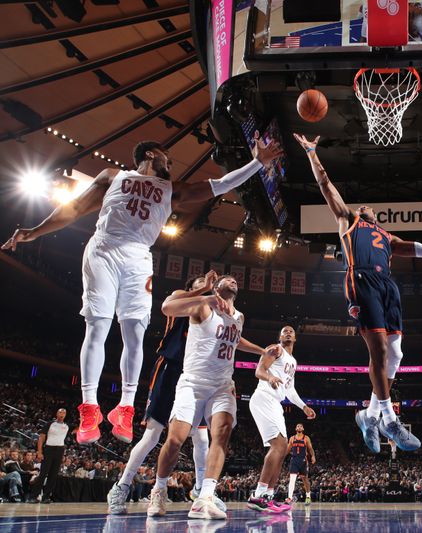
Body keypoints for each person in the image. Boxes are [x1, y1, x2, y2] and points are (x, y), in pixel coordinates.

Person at [2, 133, 282, 445]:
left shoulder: (171, 190)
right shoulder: (113, 176)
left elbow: (219, 185)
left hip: (138, 256)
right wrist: (36, 231)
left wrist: (258, 161)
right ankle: (90, 407)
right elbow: (73, 209)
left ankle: (124, 407)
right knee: (98, 326)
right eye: (167, 158)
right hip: (104, 248)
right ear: (150, 153)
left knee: (134, 332)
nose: (171, 165)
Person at [293, 133, 422, 453]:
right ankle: (387, 417)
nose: (365, 205)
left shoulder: (386, 236)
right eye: (363, 204)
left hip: (388, 287)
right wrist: (313, 154)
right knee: (379, 349)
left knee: (396, 355)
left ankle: (367, 416)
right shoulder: (348, 220)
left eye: (368, 206)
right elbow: (326, 187)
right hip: (362, 281)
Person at [146, 275, 275, 520]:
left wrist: (261, 350)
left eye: (236, 280)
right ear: (217, 286)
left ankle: (204, 498)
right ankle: (159, 488)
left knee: (223, 433)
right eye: (227, 278)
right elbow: (166, 307)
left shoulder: (239, 317)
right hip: (193, 383)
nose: (233, 281)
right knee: (175, 439)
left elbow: (236, 341)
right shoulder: (203, 304)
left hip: (222, 385)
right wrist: (206, 294)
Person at [106, 271, 225, 514]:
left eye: (208, 283)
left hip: (196, 376)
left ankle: (202, 492)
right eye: (200, 282)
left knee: (202, 438)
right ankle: (122, 486)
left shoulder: (214, 312)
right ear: (192, 286)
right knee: (153, 435)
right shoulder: (181, 297)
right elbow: (168, 305)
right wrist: (204, 291)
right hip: (170, 368)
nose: (206, 285)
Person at [247, 325, 316, 513]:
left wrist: (303, 406)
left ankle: (268, 495)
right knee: (278, 446)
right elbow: (259, 370)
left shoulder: (293, 361)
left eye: (291, 331)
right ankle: (258, 494)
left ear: (295, 338)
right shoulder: (275, 349)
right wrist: (269, 377)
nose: (288, 333)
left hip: (275, 402)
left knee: (283, 447)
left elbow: (290, 390)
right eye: (284, 331)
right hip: (263, 397)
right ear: (279, 336)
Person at [28, 408, 69, 504]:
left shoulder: (67, 426)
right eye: (60, 412)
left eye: (64, 412)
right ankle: (33, 496)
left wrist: (83, 420)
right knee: (43, 474)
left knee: (53, 475)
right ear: (56, 413)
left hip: (59, 450)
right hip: (49, 449)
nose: (62, 414)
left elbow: (79, 429)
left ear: (65, 415)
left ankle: (46, 497)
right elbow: (41, 438)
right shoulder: (50, 424)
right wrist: (39, 452)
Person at [285, 423, 316, 505]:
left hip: (303, 461)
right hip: (294, 460)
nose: (299, 427)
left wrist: (313, 456)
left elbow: (310, 448)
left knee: (305, 479)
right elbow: (288, 450)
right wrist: (282, 456)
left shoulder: (306, 438)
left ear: (303, 429)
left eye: (301, 426)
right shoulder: (292, 438)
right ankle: (289, 498)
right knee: (292, 479)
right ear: (296, 428)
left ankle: (308, 496)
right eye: (298, 426)